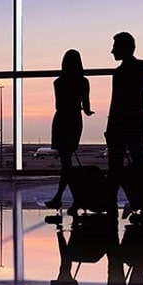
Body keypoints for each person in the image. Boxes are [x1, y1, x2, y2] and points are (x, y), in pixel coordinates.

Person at [105, 32, 143, 204]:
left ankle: (110, 199)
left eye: (115, 47)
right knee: (139, 161)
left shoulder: (119, 73)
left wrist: (110, 127)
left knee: (115, 165)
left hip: (120, 123)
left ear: (125, 48)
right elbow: (138, 94)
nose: (112, 51)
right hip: (136, 121)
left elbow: (116, 102)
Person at [46, 50, 94, 210]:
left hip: (61, 120)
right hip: (74, 120)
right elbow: (86, 108)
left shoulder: (58, 82)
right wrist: (86, 110)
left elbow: (58, 105)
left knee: (65, 163)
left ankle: (63, 198)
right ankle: (72, 199)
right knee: (67, 163)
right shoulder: (83, 82)